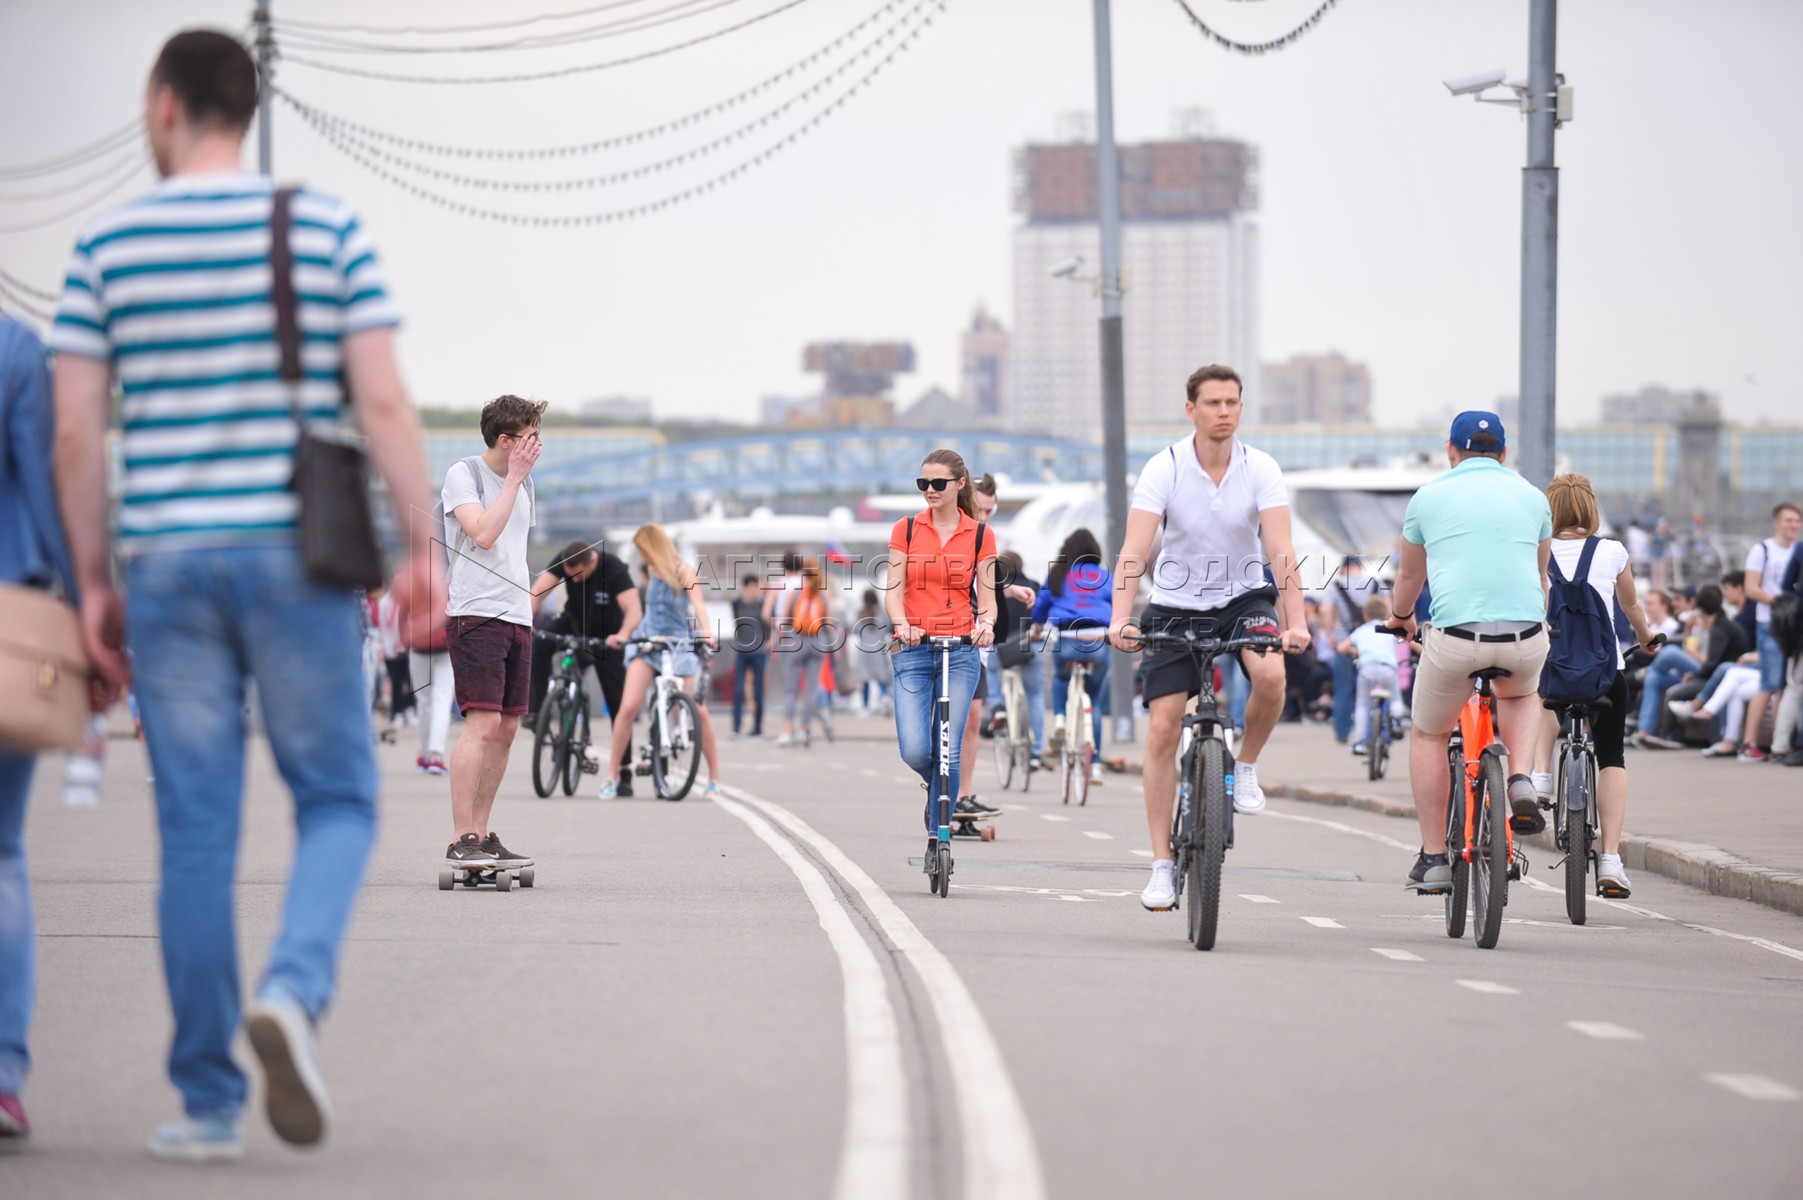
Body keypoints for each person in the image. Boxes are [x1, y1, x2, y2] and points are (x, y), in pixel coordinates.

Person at [50, 28, 440, 1161]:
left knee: (195, 832)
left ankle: (211, 1102)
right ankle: (293, 989)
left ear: (164, 106)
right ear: (247, 103)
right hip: (295, 555)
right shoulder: (322, 228)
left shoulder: (105, 245)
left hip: (166, 565)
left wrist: (90, 578)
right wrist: (420, 546)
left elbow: (79, 431)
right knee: (336, 797)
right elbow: (384, 406)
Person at [1108, 365, 1309, 912]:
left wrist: (1297, 621)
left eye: (1233, 402)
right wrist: (1121, 616)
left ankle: (1244, 766)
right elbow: (1133, 551)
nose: (1224, 411)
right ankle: (1161, 866)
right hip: (1175, 605)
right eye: (1214, 402)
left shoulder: (1260, 468)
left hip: (1244, 599)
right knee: (1162, 728)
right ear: (1191, 408)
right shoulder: (1164, 467)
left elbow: (1282, 551)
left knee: (1270, 673)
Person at [1385, 411, 1552, 892]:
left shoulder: (1428, 496)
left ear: (1451, 452)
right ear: (1503, 453)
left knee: (1429, 734)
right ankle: (1520, 777)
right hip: (1523, 632)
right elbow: (1540, 576)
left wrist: (1401, 618)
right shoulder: (1533, 496)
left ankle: (1435, 858)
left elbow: (1411, 578)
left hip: (1457, 636)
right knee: (1520, 695)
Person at [1, 315, 81, 1146]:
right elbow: (50, 486)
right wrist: (92, 602)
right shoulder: (15, 349)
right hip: (6, 621)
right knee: (1, 852)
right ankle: (1, 1076)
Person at [1529, 474, 1660, 895]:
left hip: (1555, 663)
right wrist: (1645, 638)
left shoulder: (1538, 551)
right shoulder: (1612, 551)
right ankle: (1610, 860)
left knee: (1544, 695)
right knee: (1612, 758)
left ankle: (1541, 777)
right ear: (1589, 508)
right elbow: (1631, 605)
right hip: (1605, 671)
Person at [441, 396, 543, 875]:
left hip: (517, 615)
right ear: (506, 440)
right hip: (476, 613)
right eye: (530, 436)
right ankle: (461, 837)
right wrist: (514, 480)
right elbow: (483, 533)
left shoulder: (526, 487)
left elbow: (514, 553)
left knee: (506, 729)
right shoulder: (464, 474)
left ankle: (481, 834)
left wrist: (529, 609)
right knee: (480, 724)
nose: (538, 445)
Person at [885, 449, 998, 834]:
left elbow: (988, 600)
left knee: (948, 750)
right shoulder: (907, 529)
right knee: (915, 749)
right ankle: (938, 791)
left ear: (960, 484)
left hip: (961, 650)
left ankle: (938, 835)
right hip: (914, 648)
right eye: (923, 484)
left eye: (938, 484)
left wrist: (986, 624)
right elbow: (893, 591)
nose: (929, 490)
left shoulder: (981, 533)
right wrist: (902, 624)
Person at [599, 525, 720, 797]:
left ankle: (713, 777)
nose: (643, 557)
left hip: (678, 643)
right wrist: (625, 635)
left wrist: (707, 633)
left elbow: (699, 605)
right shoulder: (652, 572)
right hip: (649, 641)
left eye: (643, 550)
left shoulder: (683, 571)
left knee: (698, 711)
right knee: (628, 707)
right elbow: (648, 613)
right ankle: (612, 776)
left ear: (653, 547)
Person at [529, 540, 640, 793]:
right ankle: (537, 710)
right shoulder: (566, 559)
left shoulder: (613, 569)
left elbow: (634, 610)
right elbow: (537, 594)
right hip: (574, 624)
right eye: (570, 578)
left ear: (592, 561)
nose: (574, 582)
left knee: (618, 703)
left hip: (606, 638)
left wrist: (622, 635)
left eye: (578, 576)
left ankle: (624, 771)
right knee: (541, 641)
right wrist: (527, 621)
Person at [1033, 528, 1111, 778]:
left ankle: (1059, 719)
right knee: (1094, 702)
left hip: (1066, 639)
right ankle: (1096, 764)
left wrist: (1036, 629)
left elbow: (1039, 611)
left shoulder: (1058, 575)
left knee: (1060, 678)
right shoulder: (1106, 577)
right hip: (1098, 639)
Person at [1736, 503, 1800, 762]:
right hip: (1770, 623)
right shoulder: (1762, 550)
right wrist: (1779, 602)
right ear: (1777, 522)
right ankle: (1749, 742)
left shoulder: (1797, 550)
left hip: (1792, 627)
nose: (1793, 525)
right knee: (1769, 682)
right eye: (1788, 520)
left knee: (1787, 685)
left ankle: (1779, 742)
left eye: (1797, 521)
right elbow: (1751, 588)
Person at [390, 562, 454, 775]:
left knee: (424, 701)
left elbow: (400, 619)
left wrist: (404, 641)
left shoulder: (410, 589)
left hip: (418, 649)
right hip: (445, 648)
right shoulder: (448, 586)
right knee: (442, 699)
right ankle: (436, 753)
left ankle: (427, 753)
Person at [1338, 595, 1401, 757]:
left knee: (1362, 705)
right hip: (1387, 670)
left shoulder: (1361, 630)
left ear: (1366, 616)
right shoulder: (1389, 629)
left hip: (1366, 670)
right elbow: (1411, 643)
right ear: (1386, 615)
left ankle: (1359, 742)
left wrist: (1354, 651)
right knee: (1395, 699)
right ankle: (1395, 719)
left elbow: (1341, 648)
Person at [763, 551, 805, 746]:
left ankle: (788, 730)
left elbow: (766, 613)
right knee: (805, 684)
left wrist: (776, 629)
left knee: (790, 685)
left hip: (786, 634)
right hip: (807, 634)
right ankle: (803, 729)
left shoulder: (778, 585)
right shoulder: (807, 583)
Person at [729, 573, 770, 737]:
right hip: (741, 651)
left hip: (760, 652)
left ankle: (757, 728)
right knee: (738, 690)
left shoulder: (763, 604)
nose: (755, 591)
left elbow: (769, 622)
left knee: (758, 691)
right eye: (752, 588)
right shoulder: (737, 603)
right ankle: (736, 727)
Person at [852, 587, 894, 717]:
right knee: (882, 679)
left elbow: (855, 630)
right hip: (879, 650)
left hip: (864, 650)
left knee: (865, 681)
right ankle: (885, 698)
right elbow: (889, 629)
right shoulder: (881, 613)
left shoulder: (860, 613)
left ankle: (865, 708)